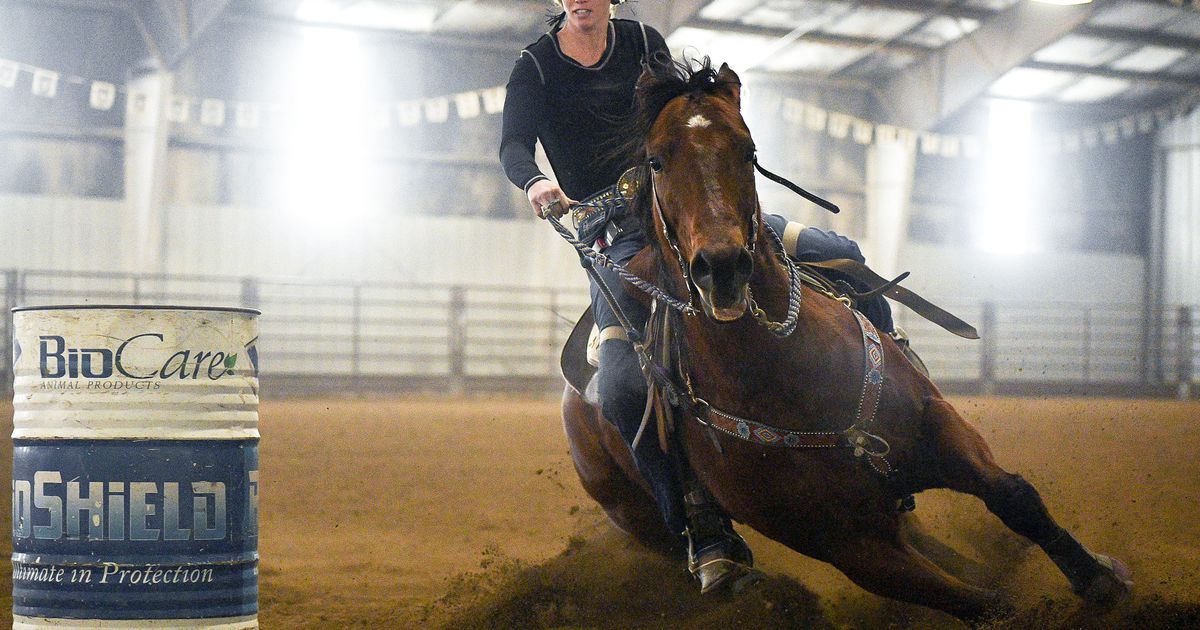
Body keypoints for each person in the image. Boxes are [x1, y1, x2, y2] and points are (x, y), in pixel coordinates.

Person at [499, 0, 906, 593]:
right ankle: (698, 526)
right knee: (618, 383)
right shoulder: (534, 68)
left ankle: (896, 386)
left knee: (841, 254)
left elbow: (682, 112)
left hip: (686, 204)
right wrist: (534, 180)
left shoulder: (643, 41)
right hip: (615, 235)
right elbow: (512, 145)